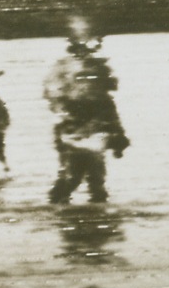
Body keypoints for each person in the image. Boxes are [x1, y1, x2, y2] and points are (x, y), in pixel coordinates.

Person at [43, 15, 130, 204]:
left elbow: (107, 101)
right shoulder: (62, 68)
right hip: (73, 126)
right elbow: (54, 98)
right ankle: (63, 209)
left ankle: (96, 220)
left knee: (96, 179)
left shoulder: (100, 68)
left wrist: (117, 132)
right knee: (71, 177)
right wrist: (64, 121)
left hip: (95, 125)